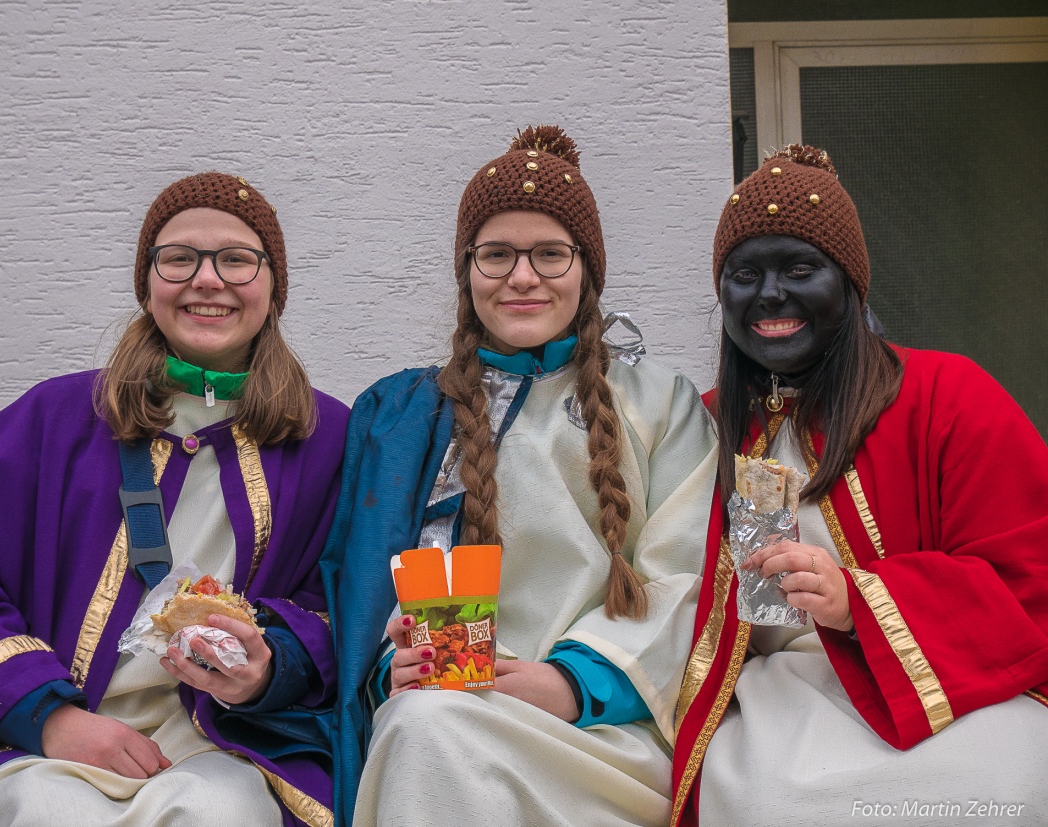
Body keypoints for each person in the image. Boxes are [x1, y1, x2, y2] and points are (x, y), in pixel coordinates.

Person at [321, 125, 717, 827]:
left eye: (550, 254)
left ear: (587, 270)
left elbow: (685, 575)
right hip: (445, 700)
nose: (523, 277)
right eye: (497, 254)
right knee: (422, 723)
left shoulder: (661, 404)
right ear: (467, 270)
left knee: (427, 729)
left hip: (603, 738)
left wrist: (572, 682)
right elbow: (360, 584)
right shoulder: (402, 414)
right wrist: (394, 665)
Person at [0, 172, 347, 826]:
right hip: (44, 738)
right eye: (179, 258)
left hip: (228, 745)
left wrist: (269, 664)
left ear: (274, 287)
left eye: (237, 260)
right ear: (148, 282)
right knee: (45, 807)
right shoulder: (55, 417)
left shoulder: (327, 437)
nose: (207, 280)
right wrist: (47, 717)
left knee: (223, 811)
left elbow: (347, 603)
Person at [670, 146, 1048, 826]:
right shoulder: (698, 428)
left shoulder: (948, 394)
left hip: (944, 685)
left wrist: (859, 598)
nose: (771, 294)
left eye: (800, 268)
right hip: (772, 696)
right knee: (768, 799)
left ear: (850, 282)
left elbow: (1030, 575)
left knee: (997, 787)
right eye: (745, 273)